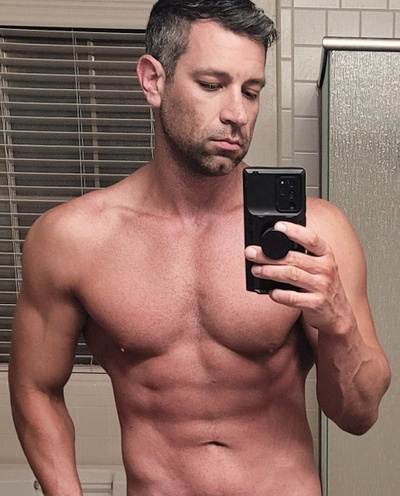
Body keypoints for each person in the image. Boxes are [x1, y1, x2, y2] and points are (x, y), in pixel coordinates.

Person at [9, 1, 391, 495]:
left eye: (251, 92)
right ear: (153, 80)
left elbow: (359, 416)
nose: (237, 114)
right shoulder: (72, 239)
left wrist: (338, 322)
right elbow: (35, 388)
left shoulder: (318, 232)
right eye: (212, 85)